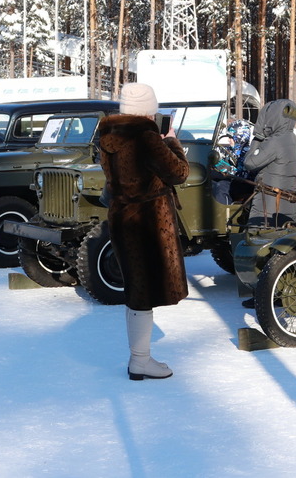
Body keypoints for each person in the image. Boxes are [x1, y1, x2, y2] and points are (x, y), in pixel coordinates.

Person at [97, 82, 190, 381]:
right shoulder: (147, 137)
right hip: (149, 221)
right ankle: (140, 360)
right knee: (144, 293)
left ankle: (140, 358)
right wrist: (172, 142)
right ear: (149, 109)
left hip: (123, 217)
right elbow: (179, 173)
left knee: (136, 288)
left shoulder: (108, 135)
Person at [242, 99, 296, 228]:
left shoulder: (274, 142)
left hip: (269, 205)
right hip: (291, 202)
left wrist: (257, 138)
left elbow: (249, 163)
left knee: (258, 243)